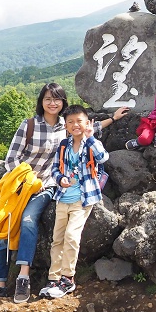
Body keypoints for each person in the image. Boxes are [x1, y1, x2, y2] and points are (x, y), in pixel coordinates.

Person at [0, 82, 127, 303]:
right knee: (5, 226)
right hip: (20, 186)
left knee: (27, 221)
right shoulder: (29, 126)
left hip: (46, 187)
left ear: (63, 102)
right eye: (48, 99)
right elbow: (11, 159)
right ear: (41, 102)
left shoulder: (66, 126)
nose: (52, 103)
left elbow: (85, 128)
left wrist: (114, 118)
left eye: (57, 99)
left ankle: (23, 278)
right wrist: (23, 181)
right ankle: (0, 283)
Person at [39, 105, 109, 299]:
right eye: (70, 122)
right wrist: (60, 178)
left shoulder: (90, 143)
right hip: (63, 197)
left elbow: (104, 158)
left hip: (83, 199)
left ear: (87, 123)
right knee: (57, 239)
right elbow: (55, 169)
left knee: (71, 236)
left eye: (79, 121)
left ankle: (67, 278)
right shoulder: (63, 145)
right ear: (66, 125)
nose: (75, 125)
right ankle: (54, 278)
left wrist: (91, 137)